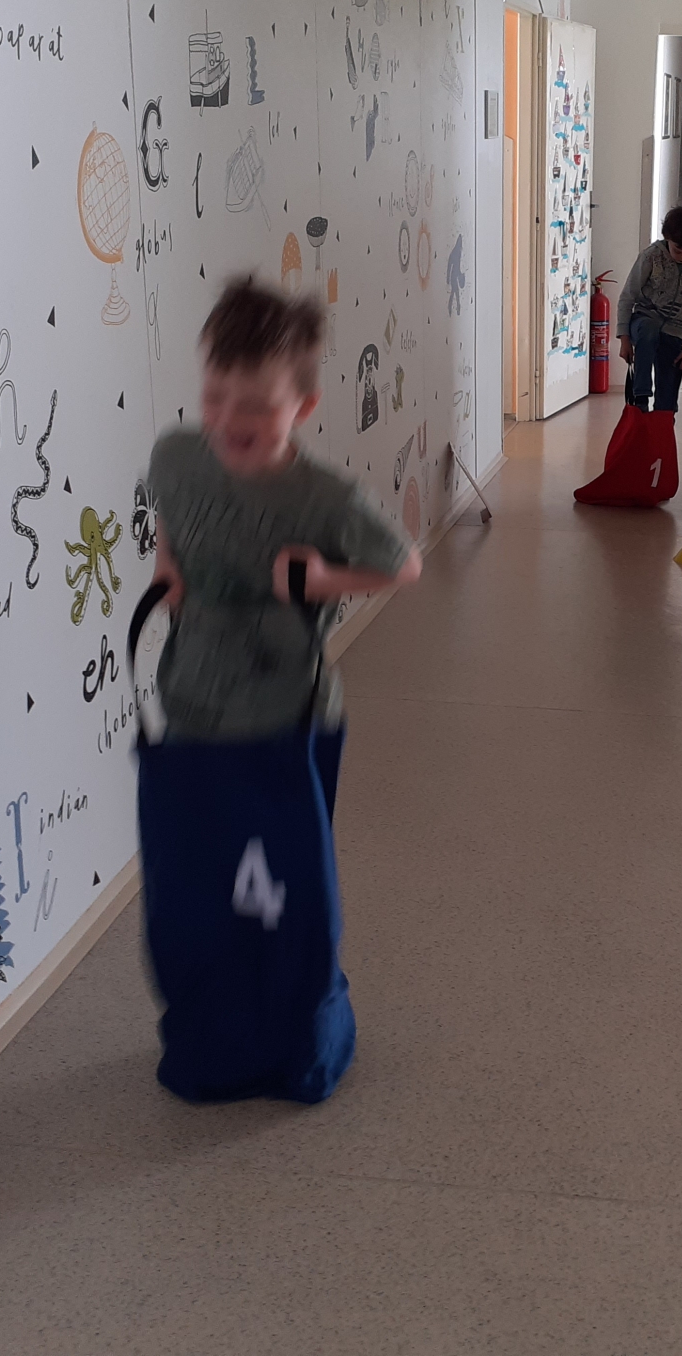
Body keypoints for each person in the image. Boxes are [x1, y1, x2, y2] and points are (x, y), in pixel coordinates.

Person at [139, 275, 420, 1105]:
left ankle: (297, 1033)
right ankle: (215, 1035)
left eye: (257, 408)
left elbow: (403, 564)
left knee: (281, 893)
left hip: (288, 721)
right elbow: (169, 510)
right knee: (199, 892)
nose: (229, 420)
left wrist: (324, 578)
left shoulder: (323, 497)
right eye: (215, 397)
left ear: (304, 404)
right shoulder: (177, 455)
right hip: (191, 710)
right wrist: (166, 564)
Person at [615, 203, 682, 413]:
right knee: (649, 329)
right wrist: (624, 338)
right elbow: (627, 296)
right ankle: (641, 397)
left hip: (675, 330)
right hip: (644, 320)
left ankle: (664, 422)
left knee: (668, 395)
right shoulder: (651, 256)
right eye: (678, 251)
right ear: (667, 238)